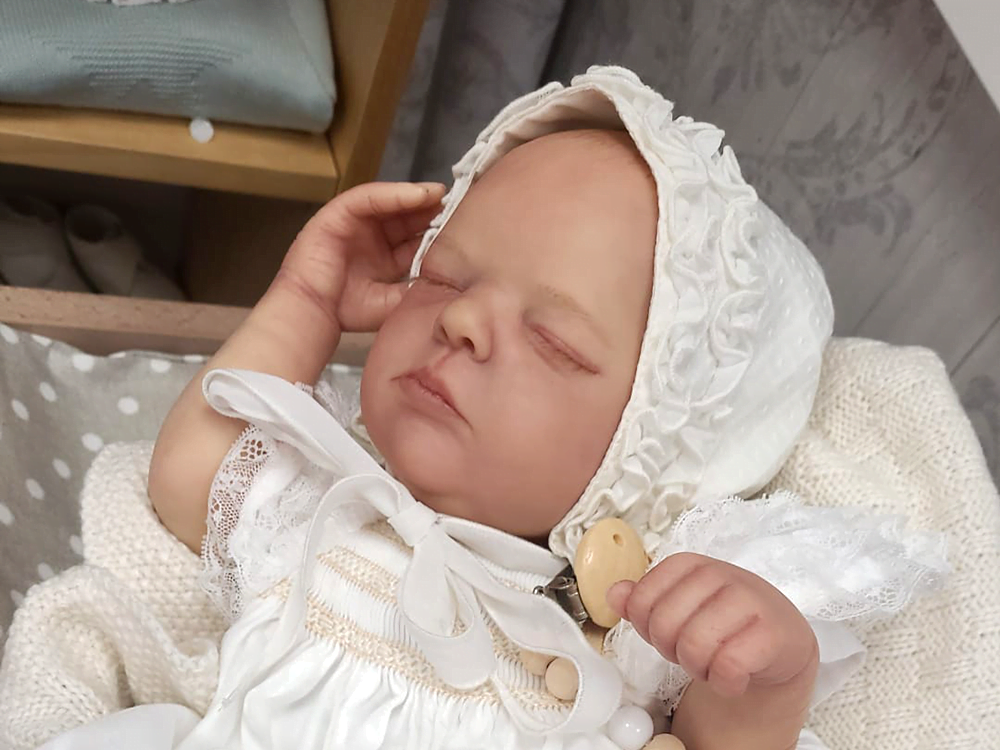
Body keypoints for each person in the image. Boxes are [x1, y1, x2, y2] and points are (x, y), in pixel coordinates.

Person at [0, 66, 947, 750]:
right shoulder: (332, 508)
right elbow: (186, 483)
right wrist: (304, 303)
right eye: (443, 277)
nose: (459, 320)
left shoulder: (630, 628)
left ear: (656, 455)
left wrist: (766, 683)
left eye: (554, 342)